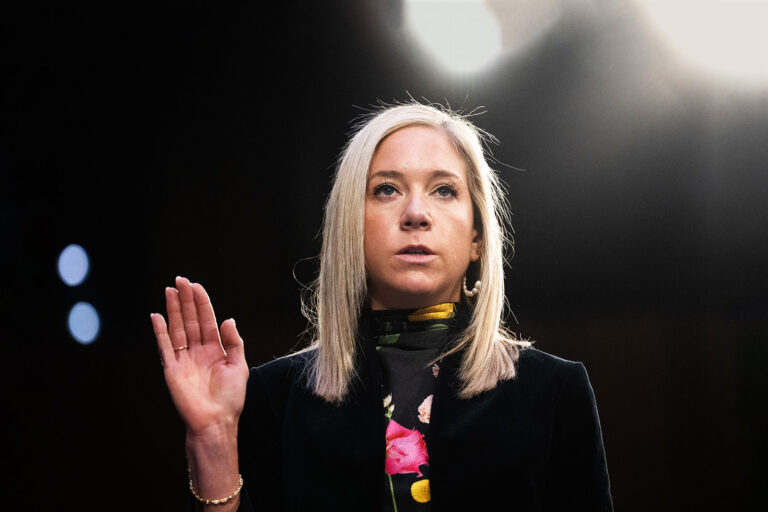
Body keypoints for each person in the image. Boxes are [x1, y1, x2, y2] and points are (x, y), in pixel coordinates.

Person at [150, 102, 614, 511]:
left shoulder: (554, 392)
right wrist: (212, 438)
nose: (416, 213)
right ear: (351, 226)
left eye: (444, 190)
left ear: (477, 237)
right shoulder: (275, 397)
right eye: (387, 189)